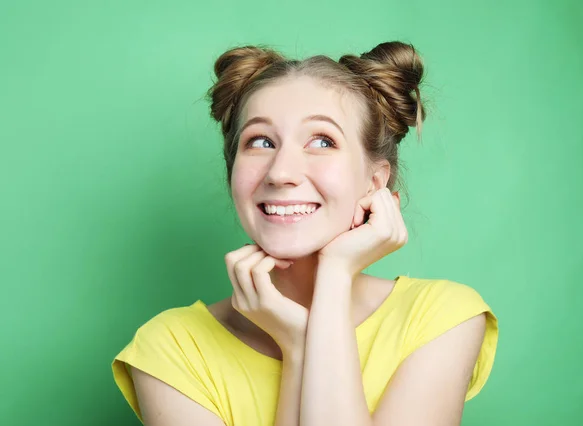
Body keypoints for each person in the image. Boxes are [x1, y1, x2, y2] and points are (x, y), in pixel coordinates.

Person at [112, 41, 499, 426]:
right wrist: (297, 348)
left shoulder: (442, 319)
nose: (281, 173)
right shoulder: (171, 349)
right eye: (260, 142)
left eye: (322, 141)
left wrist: (334, 275)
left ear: (373, 182)